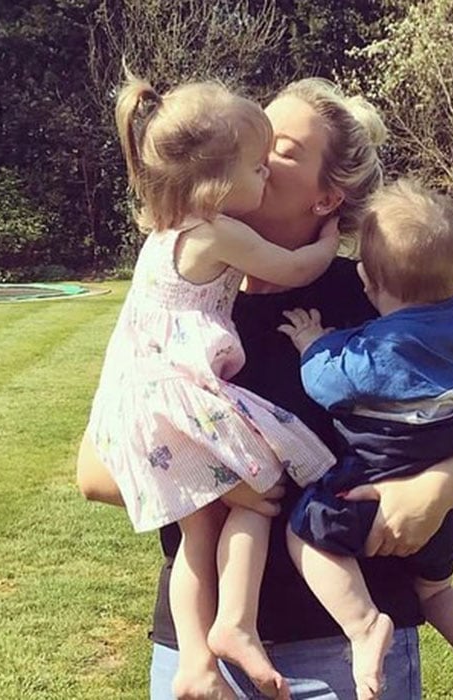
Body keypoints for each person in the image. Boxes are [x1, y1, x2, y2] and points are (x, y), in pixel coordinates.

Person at [77, 77, 453, 700]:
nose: (252, 152)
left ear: (326, 198)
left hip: (346, 647)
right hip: (199, 655)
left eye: (279, 149)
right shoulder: (182, 294)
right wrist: (228, 481)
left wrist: (433, 491)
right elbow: (95, 472)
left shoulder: (371, 295)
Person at [86, 73, 348, 699]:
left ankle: (199, 664)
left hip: (148, 395)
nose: (265, 172)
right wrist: (331, 242)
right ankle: (234, 624)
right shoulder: (218, 234)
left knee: (194, 540)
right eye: (257, 164)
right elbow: (293, 268)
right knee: (260, 490)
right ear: (216, 181)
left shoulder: (164, 235)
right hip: (186, 392)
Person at [278, 178, 453, 699]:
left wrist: (313, 342)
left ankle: (363, 625)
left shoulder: (379, 350)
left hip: (372, 492)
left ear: (367, 279)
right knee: (437, 589)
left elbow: (324, 383)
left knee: (304, 535)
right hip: (447, 509)